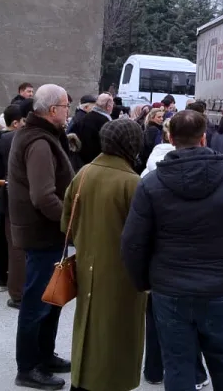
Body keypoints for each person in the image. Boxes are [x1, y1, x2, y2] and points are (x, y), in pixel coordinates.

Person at [122, 110, 223, 391]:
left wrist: (144, 283)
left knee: (177, 363)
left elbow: (133, 241)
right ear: (204, 138)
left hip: (170, 287)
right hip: (221, 287)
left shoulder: (151, 183)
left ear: (170, 138)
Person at [61, 119, 148, 391]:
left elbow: (67, 225)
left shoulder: (84, 173)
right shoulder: (132, 182)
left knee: (87, 329)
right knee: (117, 338)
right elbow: (143, 236)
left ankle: (81, 381)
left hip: (87, 265)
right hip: (123, 275)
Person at [8, 84, 75, 389]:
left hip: (48, 233)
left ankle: (45, 355)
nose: (68, 111)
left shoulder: (44, 136)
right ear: (52, 111)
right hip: (42, 233)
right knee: (37, 302)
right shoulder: (38, 142)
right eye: (65, 106)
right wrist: (72, 225)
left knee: (52, 299)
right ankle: (29, 367)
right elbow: (44, 197)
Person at [0, 102, 28, 306]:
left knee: (7, 241)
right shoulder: (32, 138)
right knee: (20, 245)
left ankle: (4, 280)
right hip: (23, 198)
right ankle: (18, 288)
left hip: (6, 196)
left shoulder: (5, 139)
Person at [75, 93, 113, 165]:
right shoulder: (105, 122)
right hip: (99, 162)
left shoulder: (85, 117)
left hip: (83, 161)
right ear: (108, 106)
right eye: (112, 104)